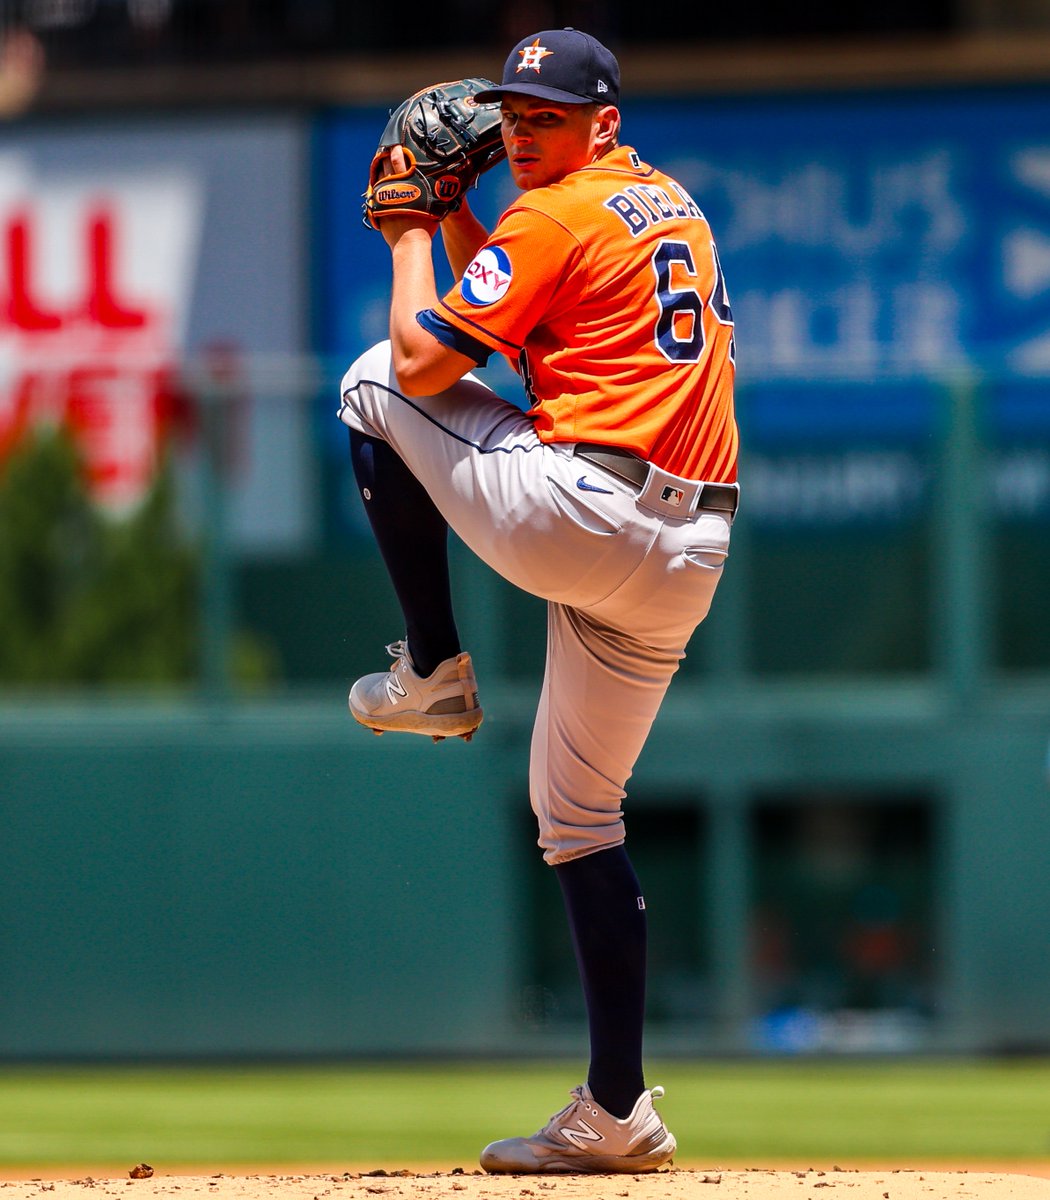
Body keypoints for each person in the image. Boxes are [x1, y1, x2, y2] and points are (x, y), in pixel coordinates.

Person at [338, 27, 738, 1174]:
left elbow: (424, 364)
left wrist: (412, 226)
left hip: (590, 516)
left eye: (546, 116)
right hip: (688, 549)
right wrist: (469, 227)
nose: (519, 131)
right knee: (578, 816)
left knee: (373, 380)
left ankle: (434, 669)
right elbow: (530, 331)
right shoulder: (663, 204)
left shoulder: (553, 215)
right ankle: (620, 1111)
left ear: (601, 122)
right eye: (513, 112)